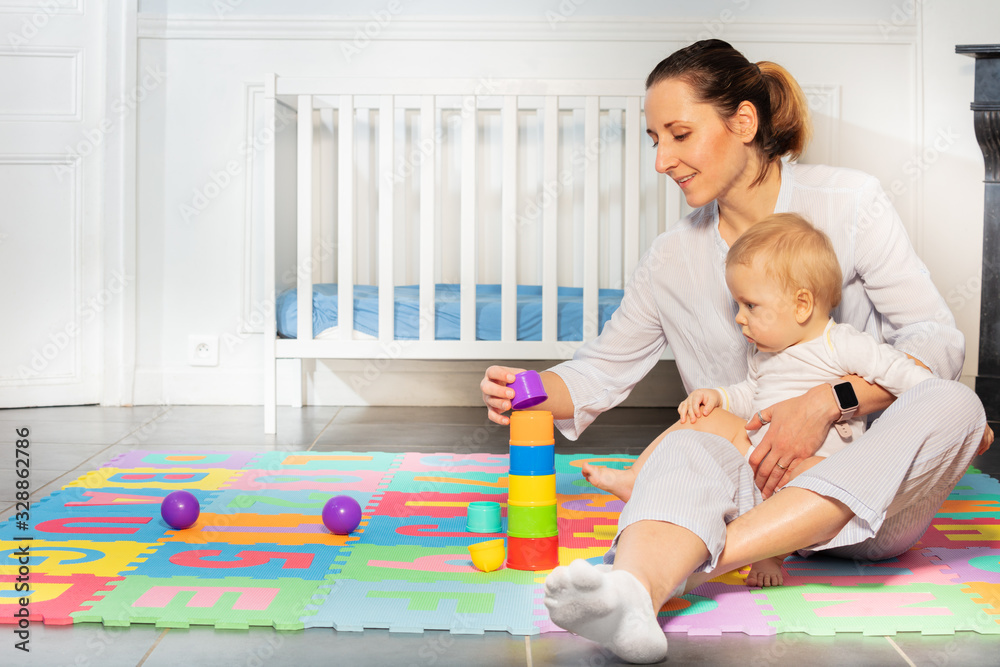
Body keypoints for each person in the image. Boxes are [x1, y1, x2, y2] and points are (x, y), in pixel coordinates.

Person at [480, 39, 993, 664]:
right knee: (688, 438)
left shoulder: (850, 203)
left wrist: (826, 402)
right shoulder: (672, 258)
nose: (663, 159)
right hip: (750, 482)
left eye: (679, 134)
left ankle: (697, 564)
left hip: (869, 495)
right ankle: (634, 592)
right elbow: (601, 370)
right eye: (654, 140)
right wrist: (527, 389)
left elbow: (932, 341)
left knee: (955, 403)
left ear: (743, 122)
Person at [584, 212, 937, 588]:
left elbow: (902, 371)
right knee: (701, 423)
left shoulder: (842, 344)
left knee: (806, 475)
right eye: (738, 306)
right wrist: (718, 397)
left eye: (750, 306)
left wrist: (949, 410)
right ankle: (638, 477)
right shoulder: (766, 354)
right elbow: (751, 394)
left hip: (824, 466)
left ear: (802, 305)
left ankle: (770, 553)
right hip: (764, 455)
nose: (739, 318)